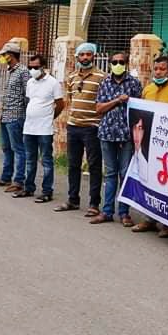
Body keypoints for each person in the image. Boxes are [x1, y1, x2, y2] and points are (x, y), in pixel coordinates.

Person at [133, 55, 168, 237]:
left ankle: (167, 224)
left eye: (162, 69)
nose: (158, 72)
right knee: (149, 180)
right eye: (156, 69)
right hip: (148, 143)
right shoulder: (148, 89)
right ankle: (149, 218)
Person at [92, 50, 143, 225]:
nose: (118, 65)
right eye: (115, 62)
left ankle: (124, 213)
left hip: (126, 135)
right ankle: (107, 211)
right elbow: (99, 108)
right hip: (107, 133)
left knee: (125, 173)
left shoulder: (134, 83)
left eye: (121, 62)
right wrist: (117, 100)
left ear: (126, 64)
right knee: (110, 173)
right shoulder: (105, 83)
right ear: (110, 64)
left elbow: (139, 109)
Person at [55, 42, 104, 214]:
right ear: (77, 57)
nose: (85, 57)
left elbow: (103, 102)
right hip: (73, 126)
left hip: (92, 127)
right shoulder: (72, 77)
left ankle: (94, 204)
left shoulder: (101, 77)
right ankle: (72, 199)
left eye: (88, 54)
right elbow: (69, 100)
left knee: (94, 166)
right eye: (82, 55)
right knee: (73, 164)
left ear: (94, 56)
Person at [16, 54, 64, 202]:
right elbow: (31, 101)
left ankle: (47, 191)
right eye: (30, 67)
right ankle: (29, 187)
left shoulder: (53, 83)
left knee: (46, 160)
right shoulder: (30, 82)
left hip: (44, 128)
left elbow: (60, 104)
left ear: (43, 67)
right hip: (29, 127)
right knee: (30, 159)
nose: (32, 70)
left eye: (35, 67)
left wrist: (50, 117)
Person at [0, 42, 30, 190]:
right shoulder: (9, 71)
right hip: (5, 114)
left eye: (4, 55)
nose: (2, 57)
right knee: (6, 147)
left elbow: (27, 94)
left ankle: (18, 180)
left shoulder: (23, 71)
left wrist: (24, 113)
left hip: (16, 114)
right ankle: (6, 177)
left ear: (11, 55)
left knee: (18, 148)